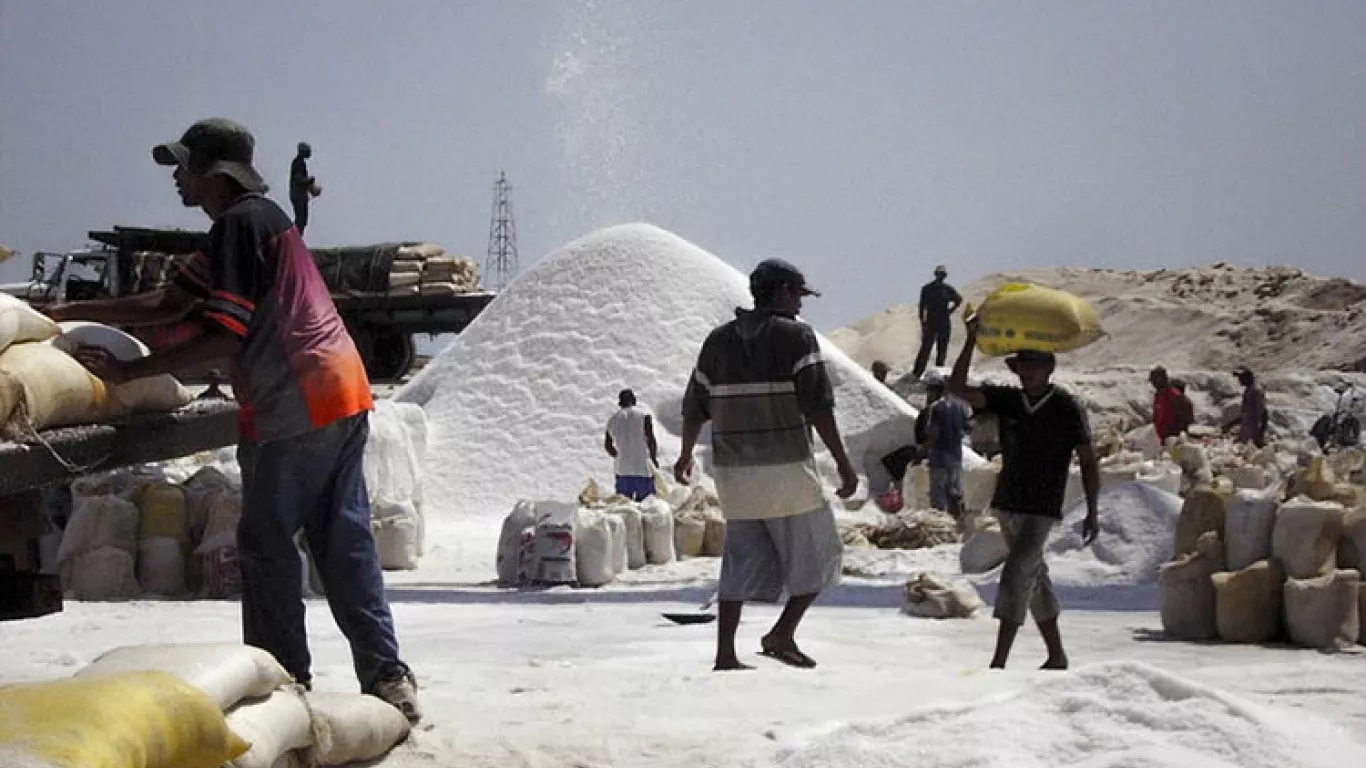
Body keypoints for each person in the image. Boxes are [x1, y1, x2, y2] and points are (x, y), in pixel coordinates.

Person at [49, 118, 420, 722]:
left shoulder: (241, 227)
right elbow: (168, 303)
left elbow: (223, 335)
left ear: (214, 173)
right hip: (342, 391)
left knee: (267, 544)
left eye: (184, 166)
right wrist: (69, 309)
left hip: (293, 399)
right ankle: (387, 677)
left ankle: (283, 686)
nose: (176, 178)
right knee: (342, 542)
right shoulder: (255, 224)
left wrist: (126, 376)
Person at [676, 258, 858, 671]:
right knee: (823, 554)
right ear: (779, 291)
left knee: (738, 561)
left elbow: (694, 406)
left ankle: (725, 653)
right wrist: (844, 463)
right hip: (786, 470)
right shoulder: (796, 337)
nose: (800, 304)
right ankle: (782, 633)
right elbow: (818, 406)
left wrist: (686, 453)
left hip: (734, 473)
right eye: (797, 294)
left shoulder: (717, 341)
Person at [948, 316, 1099, 671]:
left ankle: (999, 661)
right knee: (1034, 576)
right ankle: (1056, 654)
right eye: (1022, 365)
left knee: (1017, 572)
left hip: (1042, 507)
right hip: (1008, 503)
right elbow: (957, 387)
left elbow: (1089, 460)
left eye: (1033, 364)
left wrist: (1093, 509)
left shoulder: (1066, 406)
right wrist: (970, 340)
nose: (1027, 372)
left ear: (1049, 367)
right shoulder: (1008, 400)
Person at [924, 375, 970, 517]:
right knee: (955, 494)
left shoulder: (936, 408)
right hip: (956, 457)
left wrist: (922, 452)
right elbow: (967, 428)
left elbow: (933, 434)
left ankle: (941, 526)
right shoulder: (961, 407)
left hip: (939, 459)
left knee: (938, 497)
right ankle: (958, 524)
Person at [605, 388, 659, 501]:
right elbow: (651, 440)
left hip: (622, 469)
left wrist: (619, 455)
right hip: (642, 468)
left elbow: (608, 446)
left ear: (620, 403)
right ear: (634, 400)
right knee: (646, 504)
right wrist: (653, 458)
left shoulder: (612, 420)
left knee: (624, 506)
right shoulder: (644, 416)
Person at [912, 265, 962, 379]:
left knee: (942, 349)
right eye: (939, 274)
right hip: (931, 322)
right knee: (925, 348)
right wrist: (923, 323)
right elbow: (922, 306)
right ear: (936, 274)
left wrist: (950, 311)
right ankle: (917, 373)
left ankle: (938, 375)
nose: (940, 276)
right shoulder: (927, 289)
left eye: (942, 274)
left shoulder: (947, 289)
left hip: (943, 322)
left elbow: (958, 299)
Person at [1225, 366, 1268, 447]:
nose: (1239, 380)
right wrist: (1231, 424)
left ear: (1248, 377)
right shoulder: (1248, 390)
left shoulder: (1256, 391)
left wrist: (1260, 433)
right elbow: (1246, 413)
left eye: (1241, 377)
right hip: (1247, 432)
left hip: (1254, 433)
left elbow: (1263, 413)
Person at [1149, 366, 1187, 443]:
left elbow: (1185, 417)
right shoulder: (1158, 396)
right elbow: (1156, 417)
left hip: (1173, 439)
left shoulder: (1175, 395)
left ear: (1160, 379)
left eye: (1153, 380)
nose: (1153, 384)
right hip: (1160, 439)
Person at [290, 142, 319, 235]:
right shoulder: (298, 163)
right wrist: (310, 181)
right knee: (301, 220)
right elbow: (298, 179)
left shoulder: (299, 163)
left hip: (299, 195)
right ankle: (295, 239)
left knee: (302, 220)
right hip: (298, 196)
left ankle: (296, 239)